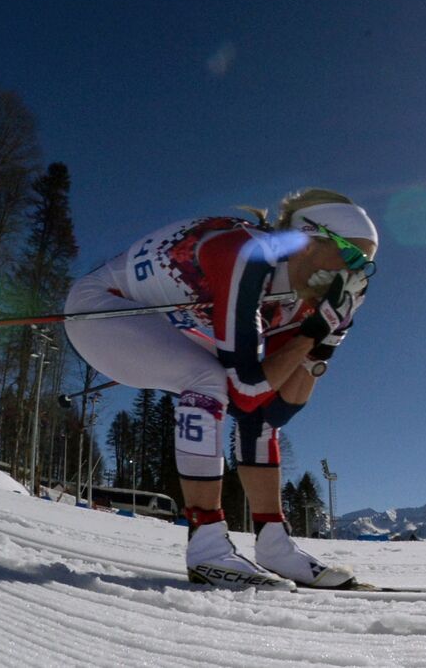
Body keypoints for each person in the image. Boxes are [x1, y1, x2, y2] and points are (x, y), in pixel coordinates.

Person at [63, 188, 377, 590]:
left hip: (168, 323)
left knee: (258, 416)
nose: (354, 277)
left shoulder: (298, 301)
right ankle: (207, 547)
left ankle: (274, 545)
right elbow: (246, 390)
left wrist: (328, 339)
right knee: (208, 380)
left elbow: (273, 409)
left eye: (366, 269)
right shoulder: (246, 254)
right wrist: (311, 335)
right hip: (101, 310)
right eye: (352, 258)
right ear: (309, 238)